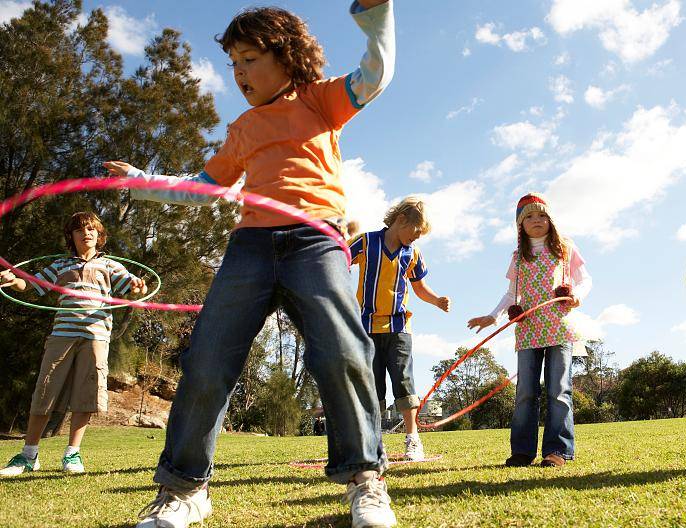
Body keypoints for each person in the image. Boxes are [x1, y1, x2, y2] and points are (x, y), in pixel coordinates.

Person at [104, 2, 398, 527]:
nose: (238, 73)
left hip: (316, 239)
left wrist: (377, 19)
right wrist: (141, 181)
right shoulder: (241, 128)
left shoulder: (319, 99)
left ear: (286, 57)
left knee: (342, 351)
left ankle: (364, 481)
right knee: (208, 358)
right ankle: (184, 490)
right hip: (251, 246)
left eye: (249, 58)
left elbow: (374, 76)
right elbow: (202, 189)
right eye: (232, 64)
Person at [0, 212, 146, 476]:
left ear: (99, 236)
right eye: (79, 229)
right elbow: (30, 284)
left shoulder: (111, 265)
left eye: (91, 229)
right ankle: (28, 455)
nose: (86, 233)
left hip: (96, 336)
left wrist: (138, 286)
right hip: (62, 335)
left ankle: (72, 454)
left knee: (85, 394)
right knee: (45, 390)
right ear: (72, 236)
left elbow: (133, 288)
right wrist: (12, 280)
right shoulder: (60, 265)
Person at [467, 193, 592, 468]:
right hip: (528, 330)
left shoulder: (565, 248)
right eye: (529, 217)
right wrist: (493, 316)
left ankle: (557, 451)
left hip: (560, 327)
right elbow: (512, 294)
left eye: (542, 215)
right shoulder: (518, 257)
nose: (537, 220)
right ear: (520, 225)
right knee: (525, 391)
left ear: (551, 219)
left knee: (559, 389)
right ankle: (522, 451)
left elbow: (585, 280)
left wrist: (576, 294)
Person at [349, 197, 450, 461]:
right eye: (416, 232)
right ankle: (371, 441)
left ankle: (413, 439)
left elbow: (419, 287)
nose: (416, 239)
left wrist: (437, 300)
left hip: (399, 326)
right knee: (372, 384)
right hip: (366, 326)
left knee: (404, 380)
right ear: (401, 220)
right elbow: (339, 260)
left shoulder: (412, 253)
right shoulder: (366, 242)